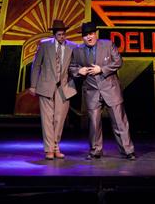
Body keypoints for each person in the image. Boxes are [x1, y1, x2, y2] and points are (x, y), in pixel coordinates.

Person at [70, 22, 136, 161]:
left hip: (110, 89)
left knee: (119, 121)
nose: (89, 37)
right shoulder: (77, 50)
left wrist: (102, 69)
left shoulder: (108, 45)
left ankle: (128, 151)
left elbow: (118, 62)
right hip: (91, 91)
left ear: (96, 34)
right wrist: (78, 71)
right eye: (86, 35)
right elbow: (72, 67)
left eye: (91, 34)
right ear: (82, 37)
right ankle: (95, 151)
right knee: (94, 123)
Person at [30, 19, 77, 160]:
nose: (62, 37)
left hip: (64, 87)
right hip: (46, 86)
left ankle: (56, 147)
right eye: (59, 34)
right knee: (47, 119)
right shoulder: (44, 45)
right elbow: (36, 65)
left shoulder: (72, 47)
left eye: (64, 34)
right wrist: (33, 85)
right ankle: (49, 149)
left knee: (59, 119)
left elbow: (75, 65)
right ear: (54, 34)